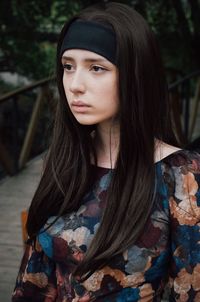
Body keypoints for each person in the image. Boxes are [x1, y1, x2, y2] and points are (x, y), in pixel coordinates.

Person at [12, 2, 200, 301]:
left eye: (97, 68)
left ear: (136, 76)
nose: (74, 85)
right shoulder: (61, 163)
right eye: (68, 66)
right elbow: (33, 281)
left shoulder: (181, 175)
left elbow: (190, 289)